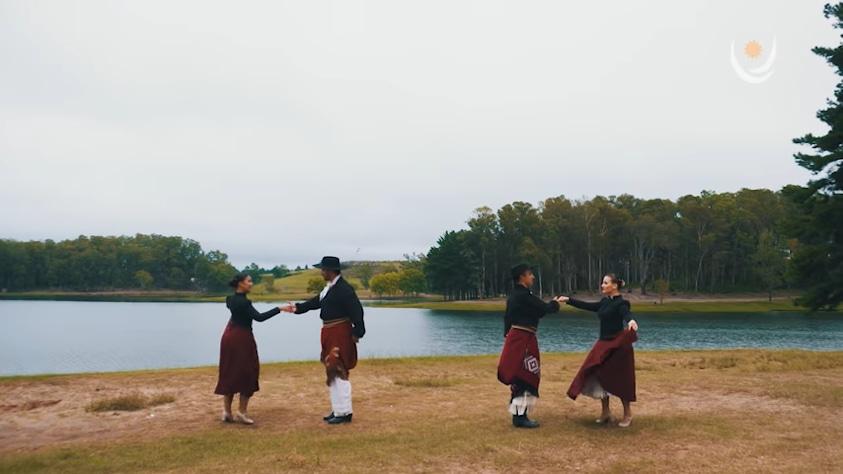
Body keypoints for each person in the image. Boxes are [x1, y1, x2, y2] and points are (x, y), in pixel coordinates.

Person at [283, 256, 364, 424]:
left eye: (323, 270)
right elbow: (315, 303)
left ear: (330, 271)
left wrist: (358, 332)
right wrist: (297, 308)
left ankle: (345, 413)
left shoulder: (344, 289)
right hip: (329, 331)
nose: (321, 272)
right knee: (331, 370)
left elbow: (357, 311)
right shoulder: (330, 288)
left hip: (340, 332)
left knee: (339, 369)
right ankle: (338, 410)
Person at [559, 273, 639, 428]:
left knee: (621, 380)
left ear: (614, 286)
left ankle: (627, 414)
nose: (602, 285)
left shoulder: (622, 303)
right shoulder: (604, 302)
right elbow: (588, 306)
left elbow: (626, 314)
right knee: (599, 376)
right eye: (602, 282)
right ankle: (605, 412)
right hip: (603, 345)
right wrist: (569, 300)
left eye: (605, 282)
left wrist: (631, 320)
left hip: (617, 346)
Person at [214, 273, 290, 425]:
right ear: (240, 284)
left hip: (228, 335)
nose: (251, 284)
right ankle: (241, 412)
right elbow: (259, 318)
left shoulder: (230, 299)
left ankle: (227, 412)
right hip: (242, 338)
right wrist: (279, 308)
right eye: (249, 281)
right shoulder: (244, 303)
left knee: (229, 370)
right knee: (248, 371)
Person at [497, 263, 567, 428]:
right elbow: (544, 308)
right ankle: (520, 417)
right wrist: (556, 303)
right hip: (523, 339)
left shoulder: (516, 296)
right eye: (530, 274)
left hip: (519, 338)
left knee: (522, 374)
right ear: (522, 277)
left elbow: (533, 313)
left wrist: (508, 337)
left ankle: (520, 414)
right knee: (525, 375)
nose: (533, 277)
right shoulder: (523, 295)